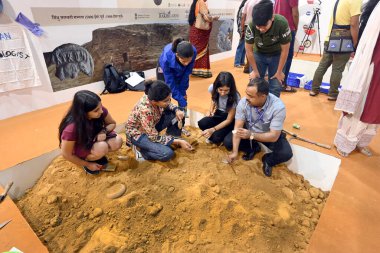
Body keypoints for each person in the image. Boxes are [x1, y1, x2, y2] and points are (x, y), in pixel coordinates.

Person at [334, 0, 380, 157]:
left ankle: (361, 141)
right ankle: (345, 141)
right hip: (373, 63)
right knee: (362, 104)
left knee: (375, 107)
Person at [224, 78, 293, 177]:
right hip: (249, 132)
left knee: (286, 153)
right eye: (246, 93)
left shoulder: (278, 107)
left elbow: (274, 136)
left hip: (267, 134)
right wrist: (234, 152)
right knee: (228, 142)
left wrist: (252, 135)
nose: (246, 98)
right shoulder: (244, 102)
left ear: (263, 96)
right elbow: (237, 128)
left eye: (251, 96)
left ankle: (268, 160)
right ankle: (253, 148)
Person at [125, 80, 193, 162]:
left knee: (179, 112)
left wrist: (176, 110)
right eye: (165, 101)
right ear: (154, 101)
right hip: (138, 134)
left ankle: (173, 137)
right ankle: (141, 150)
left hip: (151, 125)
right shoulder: (145, 110)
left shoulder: (153, 95)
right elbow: (153, 137)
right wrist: (177, 142)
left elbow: (168, 104)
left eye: (169, 99)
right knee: (167, 153)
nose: (168, 102)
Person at [59, 90, 123, 175]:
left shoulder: (99, 110)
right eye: (96, 110)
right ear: (84, 113)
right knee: (102, 147)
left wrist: (103, 131)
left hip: (94, 138)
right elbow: (66, 154)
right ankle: (88, 159)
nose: (101, 111)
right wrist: (88, 164)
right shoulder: (71, 128)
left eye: (101, 106)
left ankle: (97, 155)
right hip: (81, 145)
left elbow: (112, 123)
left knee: (117, 141)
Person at [309, 0, 362, 101]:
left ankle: (314, 89)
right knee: (337, 68)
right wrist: (355, 42)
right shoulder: (355, 1)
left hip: (330, 38)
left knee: (322, 66)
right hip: (343, 40)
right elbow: (354, 24)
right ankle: (333, 93)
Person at [245, 0, 292, 97]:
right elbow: (249, 51)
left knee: (275, 85)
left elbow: (285, 51)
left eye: (264, 26)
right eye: (258, 26)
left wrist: (279, 72)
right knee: (255, 83)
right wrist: (255, 71)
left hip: (277, 55)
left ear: (272, 18)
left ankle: (272, 110)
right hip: (258, 54)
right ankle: (256, 108)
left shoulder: (282, 23)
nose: (261, 29)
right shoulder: (251, 25)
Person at [198, 72, 240, 145]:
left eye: (226, 90)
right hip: (218, 114)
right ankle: (218, 135)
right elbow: (213, 99)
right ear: (216, 86)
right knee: (202, 123)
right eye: (220, 90)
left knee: (216, 138)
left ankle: (222, 135)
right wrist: (210, 110)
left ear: (231, 88)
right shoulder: (212, 88)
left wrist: (213, 129)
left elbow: (229, 120)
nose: (223, 93)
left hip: (229, 119)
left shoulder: (235, 96)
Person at [157, 38, 197, 111]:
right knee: (164, 91)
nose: (186, 63)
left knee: (182, 93)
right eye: (184, 61)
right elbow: (170, 82)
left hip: (179, 66)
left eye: (189, 60)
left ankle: (182, 112)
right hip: (166, 68)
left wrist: (182, 93)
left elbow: (186, 74)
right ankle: (165, 112)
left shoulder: (193, 51)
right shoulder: (166, 59)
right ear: (177, 55)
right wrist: (180, 98)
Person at [188, 0, 219, 78]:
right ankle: (201, 71)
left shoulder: (196, 2)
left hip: (195, 31)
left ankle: (192, 69)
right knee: (202, 50)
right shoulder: (201, 2)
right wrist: (214, 18)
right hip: (200, 33)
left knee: (194, 49)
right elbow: (206, 18)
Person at [274, 0, 299, 93]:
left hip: (276, 27)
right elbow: (295, 13)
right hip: (288, 28)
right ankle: (282, 83)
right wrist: (296, 27)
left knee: (277, 55)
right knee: (287, 56)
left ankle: (275, 81)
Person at [241, 0, 261, 73]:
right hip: (257, 26)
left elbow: (243, 16)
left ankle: (248, 66)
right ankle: (251, 67)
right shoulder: (261, 2)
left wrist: (242, 29)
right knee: (255, 47)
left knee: (248, 48)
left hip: (247, 26)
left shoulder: (248, 2)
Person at [234, 0, 248, 68]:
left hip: (243, 29)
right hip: (242, 29)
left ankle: (241, 61)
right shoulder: (243, 9)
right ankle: (237, 62)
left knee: (244, 46)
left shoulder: (244, 8)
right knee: (241, 46)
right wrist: (242, 31)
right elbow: (241, 20)